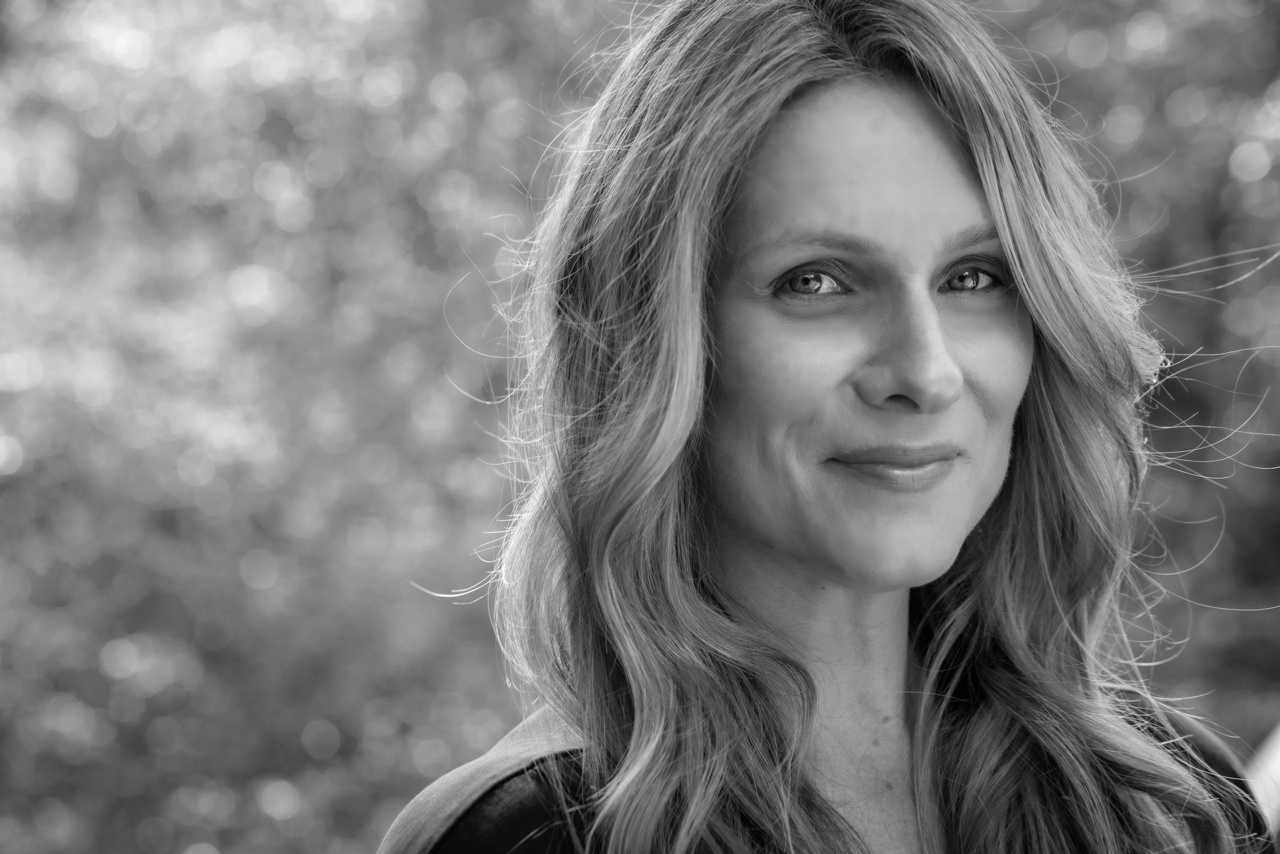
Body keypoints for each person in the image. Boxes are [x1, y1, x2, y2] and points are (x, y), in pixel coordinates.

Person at [379, 0, 1278, 851]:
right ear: (657, 344)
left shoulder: (1174, 809)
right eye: (817, 282)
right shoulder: (521, 837)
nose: (925, 373)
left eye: (974, 278)